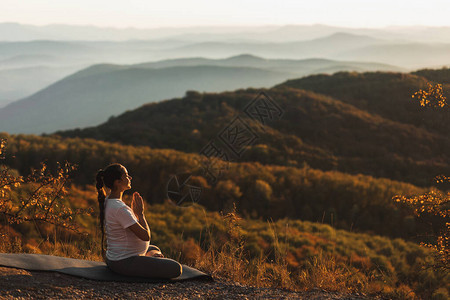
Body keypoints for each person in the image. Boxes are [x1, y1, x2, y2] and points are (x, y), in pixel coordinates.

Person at [95, 163, 182, 279]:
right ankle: (153, 259)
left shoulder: (109, 201)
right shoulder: (119, 208)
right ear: (118, 182)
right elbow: (146, 236)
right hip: (124, 262)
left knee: (153, 248)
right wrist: (140, 214)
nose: (130, 178)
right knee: (176, 268)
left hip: (116, 258)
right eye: (126, 175)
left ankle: (152, 257)